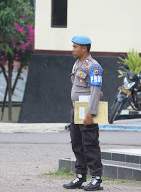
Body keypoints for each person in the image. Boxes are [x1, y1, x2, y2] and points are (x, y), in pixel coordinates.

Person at [63, 35, 103, 191]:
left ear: (84, 48)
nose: (72, 49)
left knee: (90, 143)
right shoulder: (78, 63)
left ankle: (96, 178)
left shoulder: (93, 66)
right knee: (77, 143)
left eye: (75, 47)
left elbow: (95, 90)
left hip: (86, 111)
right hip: (76, 108)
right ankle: (80, 175)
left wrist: (90, 113)